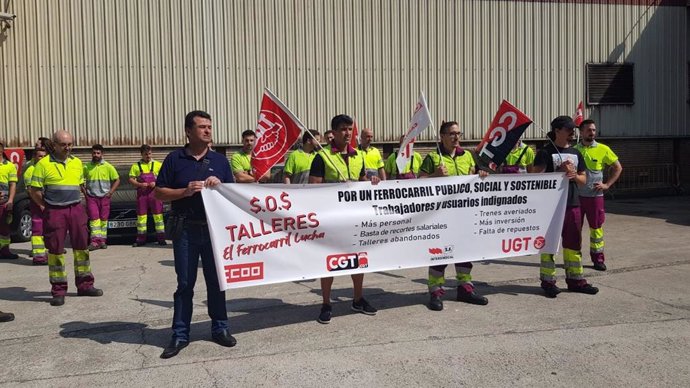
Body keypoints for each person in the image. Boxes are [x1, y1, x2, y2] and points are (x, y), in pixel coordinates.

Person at [155, 110, 236, 359]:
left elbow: (233, 195)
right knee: (185, 283)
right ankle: (180, 334)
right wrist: (184, 191)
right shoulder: (174, 159)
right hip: (186, 229)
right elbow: (159, 193)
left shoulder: (220, 162)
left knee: (216, 281)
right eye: (202, 127)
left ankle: (220, 328)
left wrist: (220, 186)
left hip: (213, 230)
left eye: (210, 126)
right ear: (188, 131)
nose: (208, 131)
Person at [309, 114, 380, 324]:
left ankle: (357, 299)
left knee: (359, 260)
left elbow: (362, 180)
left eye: (350, 129)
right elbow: (313, 188)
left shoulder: (358, 155)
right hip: (330, 219)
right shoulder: (322, 156)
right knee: (328, 262)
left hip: (355, 218)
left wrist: (371, 181)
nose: (347, 133)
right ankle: (326, 303)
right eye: (343, 129)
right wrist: (336, 188)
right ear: (333, 132)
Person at [418, 121, 489, 311]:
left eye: (458, 133)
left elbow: (477, 174)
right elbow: (418, 183)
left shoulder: (468, 155)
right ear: (442, 136)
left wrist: (480, 174)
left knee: (465, 252)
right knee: (440, 253)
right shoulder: (433, 157)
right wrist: (435, 175)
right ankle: (435, 291)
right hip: (440, 215)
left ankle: (465, 288)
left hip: (464, 214)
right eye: (451, 133)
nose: (456, 137)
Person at [29, 130, 103, 306]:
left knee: (81, 247)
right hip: (55, 211)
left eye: (70, 144)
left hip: (76, 209)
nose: (68, 148)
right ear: (54, 145)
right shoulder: (43, 164)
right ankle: (59, 290)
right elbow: (34, 190)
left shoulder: (77, 163)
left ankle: (85, 285)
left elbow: (79, 185)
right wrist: (46, 206)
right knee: (55, 250)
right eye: (63, 144)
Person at [531, 116, 599, 298]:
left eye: (573, 130)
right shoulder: (545, 152)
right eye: (569, 129)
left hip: (573, 203)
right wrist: (558, 172)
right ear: (557, 130)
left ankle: (576, 280)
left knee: (574, 244)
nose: (572, 133)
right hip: (550, 207)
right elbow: (535, 178)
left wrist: (574, 175)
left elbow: (584, 180)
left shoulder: (576, 153)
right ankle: (548, 282)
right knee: (549, 244)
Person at [575, 119, 622, 271]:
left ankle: (598, 259)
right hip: (576, 197)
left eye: (594, 130)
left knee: (596, 229)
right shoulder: (574, 150)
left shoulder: (603, 149)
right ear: (581, 132)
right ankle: (575, 259)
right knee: (575, 229)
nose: (592, 133)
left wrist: (607, 185)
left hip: (595, 198)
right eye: (589, 130)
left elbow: (618, 168)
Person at [83, 144, 120, 250]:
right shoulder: (86, 167)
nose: (96, 155)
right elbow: (80, 181)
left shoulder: (108, 166)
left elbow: (117, 180)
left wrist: (110, 192)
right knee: (94, 220)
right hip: (92, 197)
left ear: (102, 154)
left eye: (98, 153)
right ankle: (94, 242)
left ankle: (103, 241)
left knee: (104, 220)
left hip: (104, 197)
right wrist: (85, 193)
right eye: (94, 153)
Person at [129, 144, 166, 246]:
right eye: (146, 154)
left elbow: (164, 178)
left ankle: (161, 239)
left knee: (158, 217)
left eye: (149, 154)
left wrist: (156, 182)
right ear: (141, 154)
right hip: (142, 195)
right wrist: (140, 184)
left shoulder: (158, 165)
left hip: (156, 194)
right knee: (141, 218)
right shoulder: (135, 166)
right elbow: (131, 179)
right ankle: (140, 240)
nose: (148, 156)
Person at [24, 145, 48, 264]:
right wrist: (41, 204)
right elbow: (30, 190)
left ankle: (45, 252)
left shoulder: (46, 168)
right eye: (40, 156)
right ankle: (38, 256)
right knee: (38, 228)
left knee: (47, 228)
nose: (42, 158)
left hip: (48, 202)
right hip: (37, 203)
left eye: (44, 156)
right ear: (34, 157)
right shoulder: (30, 170)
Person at [0, 141, 19, 260]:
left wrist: (10, 200)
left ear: (1, 150)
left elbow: (13, 184)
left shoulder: (10, 166)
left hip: (4, 203)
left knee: (5, 228)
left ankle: (5, 251)